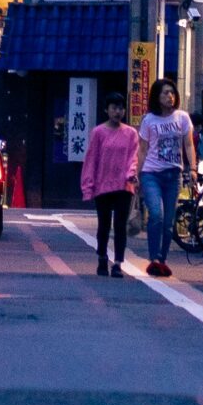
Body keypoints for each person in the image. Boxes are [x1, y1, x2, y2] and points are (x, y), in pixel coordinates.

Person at [136, 79, 197, 278]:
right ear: (156, 96)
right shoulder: (149, 120)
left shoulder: (182, 117)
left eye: (172, 92)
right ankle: (154, 258)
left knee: (169, 221)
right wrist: (137, 174)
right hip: (151, 173)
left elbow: (188, 145)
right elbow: (143, 149)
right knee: (157, 215)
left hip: (174, 174)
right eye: (165, 93)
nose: (169, 96)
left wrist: (193, 169)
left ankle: (162, 259)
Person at [80, 93, 141, 277]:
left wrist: (132, 174)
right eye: (114, 108)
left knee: (120, 225)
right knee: (104, 224)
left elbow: (134, 157)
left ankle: (118, 263)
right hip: (102, 185)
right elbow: (91, 159)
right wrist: (88, 185)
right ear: (106, 110)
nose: (118, 112)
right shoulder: (98, 132)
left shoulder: (131, 133)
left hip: (124, 185)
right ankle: (102, 257)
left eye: (121, 108)